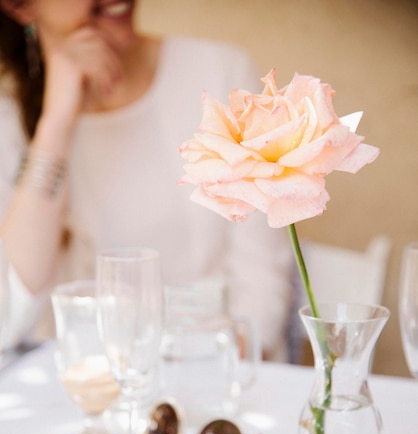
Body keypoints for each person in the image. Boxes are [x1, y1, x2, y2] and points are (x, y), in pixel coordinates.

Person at [0, 0, 295, 360]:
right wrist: (56, 120)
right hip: (90, 387)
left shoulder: (220, 72)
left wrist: (206, 376)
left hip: (214, 379)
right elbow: (7, 317)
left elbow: (262, 289)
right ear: (18, 7)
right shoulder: (10, 112)